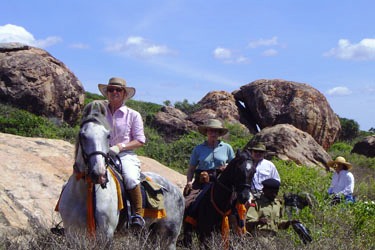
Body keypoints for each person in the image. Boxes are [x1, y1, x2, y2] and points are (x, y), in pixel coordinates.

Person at [98, 77, 146, 228]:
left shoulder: (133, 115)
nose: (114, 92)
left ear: (124, 93)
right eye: (111, 89)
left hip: (124, 154)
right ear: (107, 92)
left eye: (118, 90)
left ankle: (138, 215)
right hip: (101, 152)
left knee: (131, 178)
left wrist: (120, 147)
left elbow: (140, 140)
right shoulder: (99, 112)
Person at [182, 118, 235, 246]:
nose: (213, 133)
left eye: (216, 131)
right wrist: (189, 182)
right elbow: (191, 169)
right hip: (202, 182)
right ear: (206, 132)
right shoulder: (198, 149)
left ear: (219, 133)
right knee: (188, 203)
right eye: (211, 131)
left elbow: (234, 165)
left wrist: (226, 166)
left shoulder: (227, 148)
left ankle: (237, 232)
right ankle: (187, 234)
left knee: (237, 205)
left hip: (221, 183)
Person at [246, 178, 299, 245]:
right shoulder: (257, 203)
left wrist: (289, 223)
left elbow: (277, 223)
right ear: (264, 190)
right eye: (272, 192)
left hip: (272, 240)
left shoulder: (278, 205)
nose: (274, 194)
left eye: (276, 192)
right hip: (258, 239)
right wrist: (258, 221)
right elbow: (247, 223)